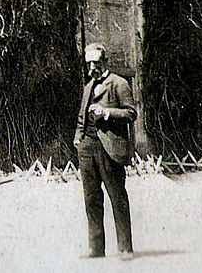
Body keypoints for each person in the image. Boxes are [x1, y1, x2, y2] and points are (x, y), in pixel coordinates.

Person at [73, 42, 137, 261]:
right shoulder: (88, 87)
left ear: (105, 62)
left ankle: (125, 248)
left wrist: (106, 112)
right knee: (91, 198)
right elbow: (82, 116)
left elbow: (131, 113)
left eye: (96, 63)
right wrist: (78, 138)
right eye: (89, 64)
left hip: (109, 148)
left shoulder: (118, 83)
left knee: (117, 198)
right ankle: (96, 249)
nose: (92, 68)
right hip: (87, 148)